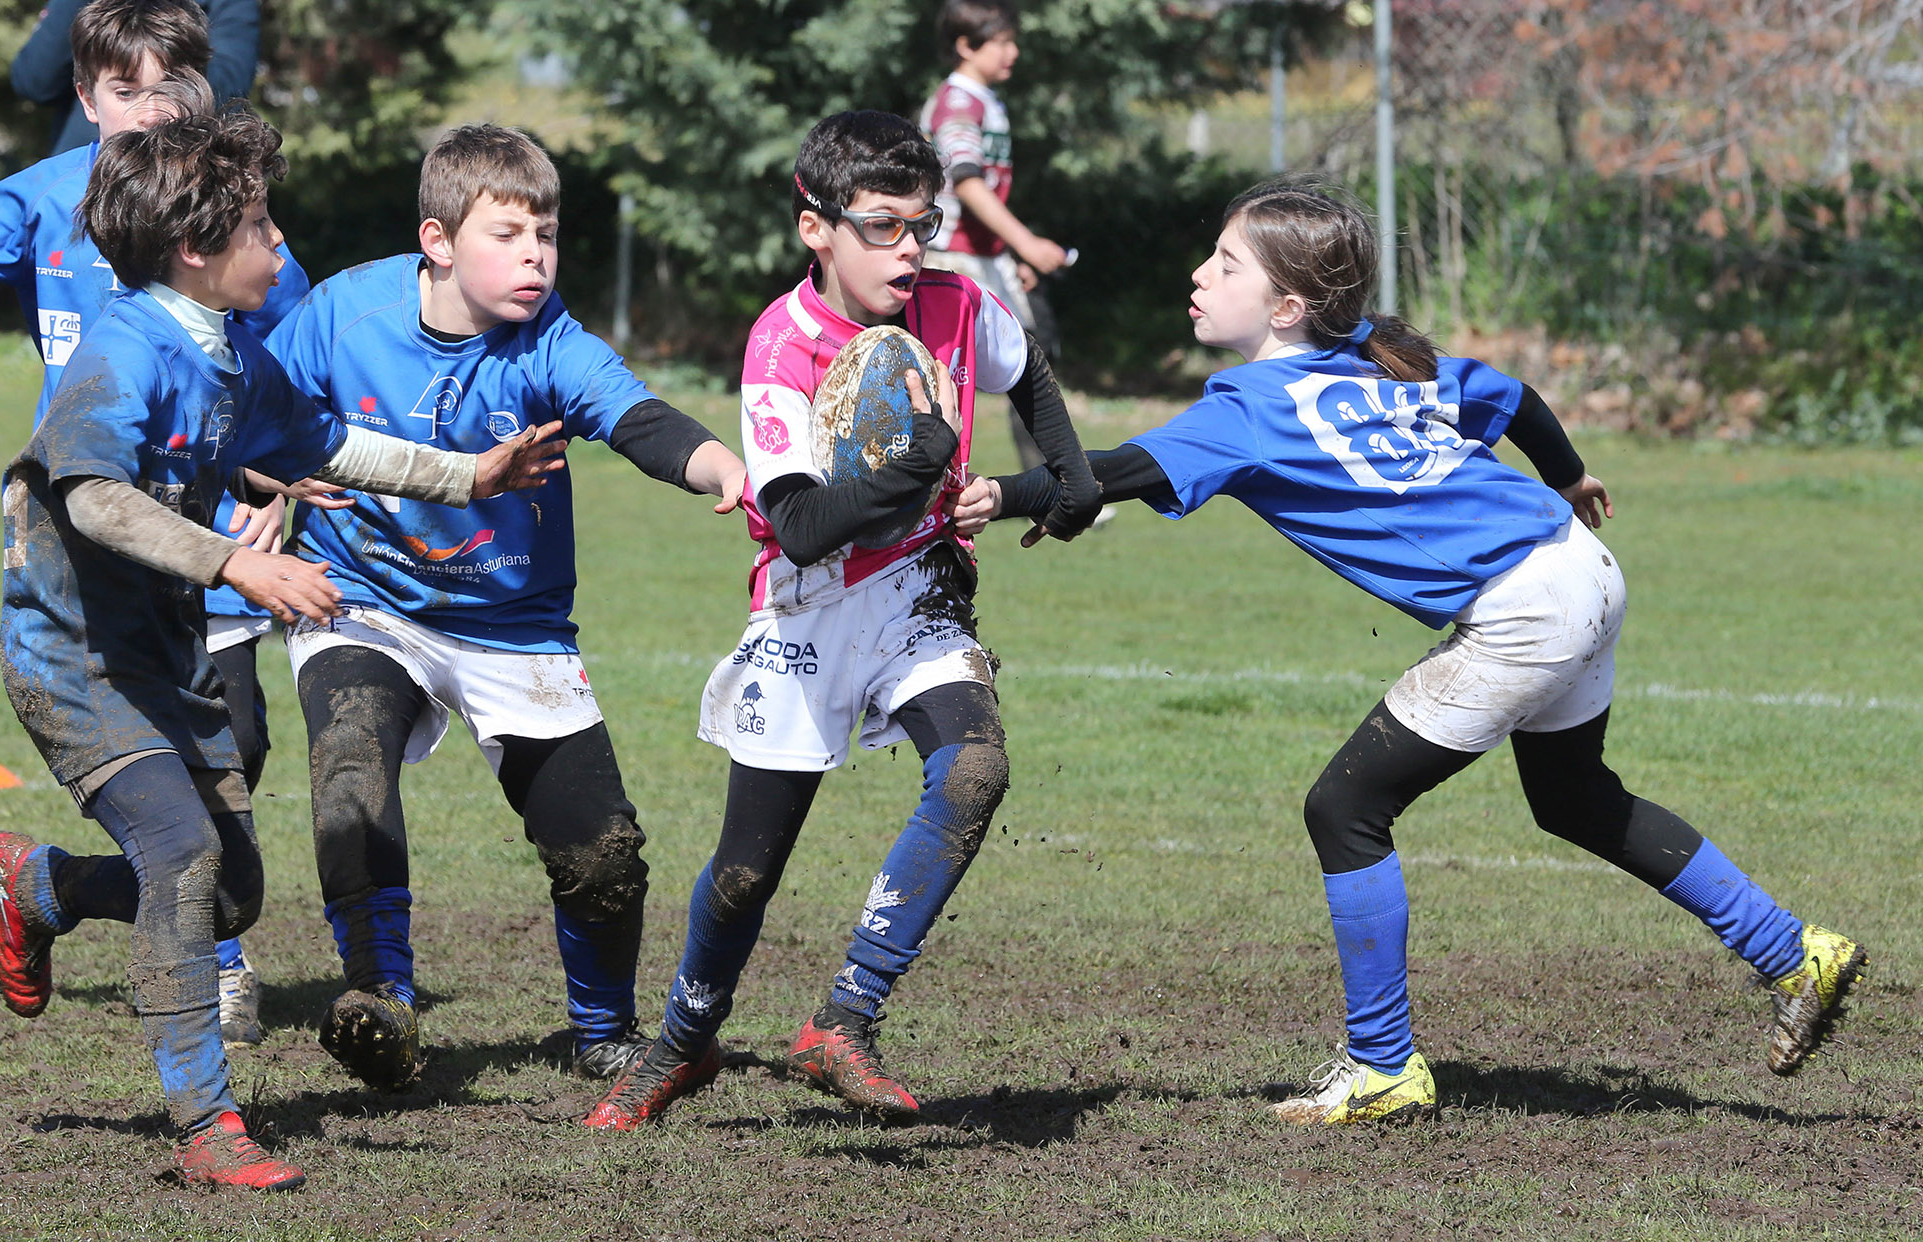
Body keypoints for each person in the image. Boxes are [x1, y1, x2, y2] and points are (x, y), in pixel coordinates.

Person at [965, 182, 1868, 1124]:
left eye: (1226, 263)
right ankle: (1795, 951)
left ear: (1286, 307)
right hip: (1583, 569)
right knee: (1572, 797)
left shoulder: (1249, 407)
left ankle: (1383, 1066)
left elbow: (1114, 472)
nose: (1200, 273)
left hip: (1527, 607)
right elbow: (1514, 398)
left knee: (1346, 806)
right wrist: (1569, 476)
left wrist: (1002, 493)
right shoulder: (1381, 357)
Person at [0, 108, 566, 1189]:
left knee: (232, 892)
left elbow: (329, 441)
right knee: (183, 859)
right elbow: (95, 496)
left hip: (165, 657)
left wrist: (467, 476)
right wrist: (240, 565)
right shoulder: (124, 350)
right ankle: (206, 1125)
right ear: (197, 250)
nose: (281, 244)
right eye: (260, 224)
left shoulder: (232, 354)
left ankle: (41, 887)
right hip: (77, 660)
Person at [582, 110, 1100, 1131]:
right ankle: (683, 1041)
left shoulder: (952, 303)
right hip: (807, 610)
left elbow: (1026, 370)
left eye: (923, 225)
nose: (908, 250)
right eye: (880, 227)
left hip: (919, 593)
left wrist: (1050, 485)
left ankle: (844, 1018)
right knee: (742, 875)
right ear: (813, 225)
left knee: (975, 768)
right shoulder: (781, 345)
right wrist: (915, 467)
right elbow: (804, 527)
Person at [263, 123, 747, 1095]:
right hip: (364, 596)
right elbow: (261, 410)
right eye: (508, 234)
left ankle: (604, 1034)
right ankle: (380, 1002)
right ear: (436, 241)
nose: (534, 255)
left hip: (511, 621)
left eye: (548, 234)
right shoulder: (340, 314)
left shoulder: (549, 339)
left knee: (602, 851)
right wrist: (261, 489)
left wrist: (719, 467)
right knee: (350, 768)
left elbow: (634, 414)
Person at [0, 0, 309, 1047]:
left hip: (209, 532)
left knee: (241, 740)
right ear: (88, 99)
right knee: (177, 811)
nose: (151, 107)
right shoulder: (42, 201)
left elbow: (296, 387)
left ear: (205, 92)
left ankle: (73, 894)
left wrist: (275, 494)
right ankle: (205, 989)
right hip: (89, 549)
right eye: (126, 88)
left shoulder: (228, 220)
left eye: (172, 86)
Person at [920, 0, 1070, 475]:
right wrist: (1026, 244)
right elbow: (965, 181)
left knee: (1027, 361)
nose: (1014, 51)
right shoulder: (959, 102)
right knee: (943, 377)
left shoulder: (984, 100)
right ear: (966, 45)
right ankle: (928, 488)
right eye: (1002, 41)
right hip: (952, 257)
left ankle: (1050, 483)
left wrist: (1009, 253)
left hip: (982, 255)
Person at [12, 0, 260, 156]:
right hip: (85, 182)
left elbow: (230, 87)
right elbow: (35, 81)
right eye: (126, 92)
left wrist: (165, 50)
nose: (149, 114)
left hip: (180, 165)